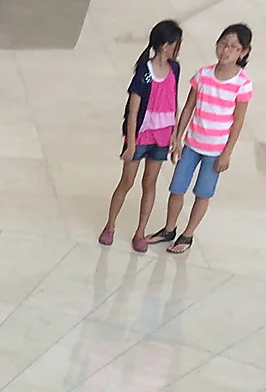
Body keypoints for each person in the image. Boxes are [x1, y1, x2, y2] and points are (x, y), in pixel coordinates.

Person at [149, 24, 252, 256]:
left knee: (203, 193)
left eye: (233, 47)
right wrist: (177, 136)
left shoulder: (242, 84)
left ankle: (188, 233)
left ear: (243, 52)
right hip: (192, 144)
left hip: (215, 150)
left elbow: (238, 122)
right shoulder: (203, 75)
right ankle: (169, 228)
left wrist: (227, 153)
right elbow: (188, 107)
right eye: (223, 44)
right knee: (177, 187)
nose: (226, 51)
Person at [101, 20, 183, 253]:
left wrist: (175, 135)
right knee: (127, 182)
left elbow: (173, 101)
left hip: (162, 136)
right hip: (141, 136)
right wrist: (130, 142)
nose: (176, 49)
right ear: (165, 45)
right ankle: (110, 226)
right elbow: (133, 108)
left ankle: (140, 232)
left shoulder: (175, 69)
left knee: (150, 184)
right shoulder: (144, 73)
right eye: (175, 44)